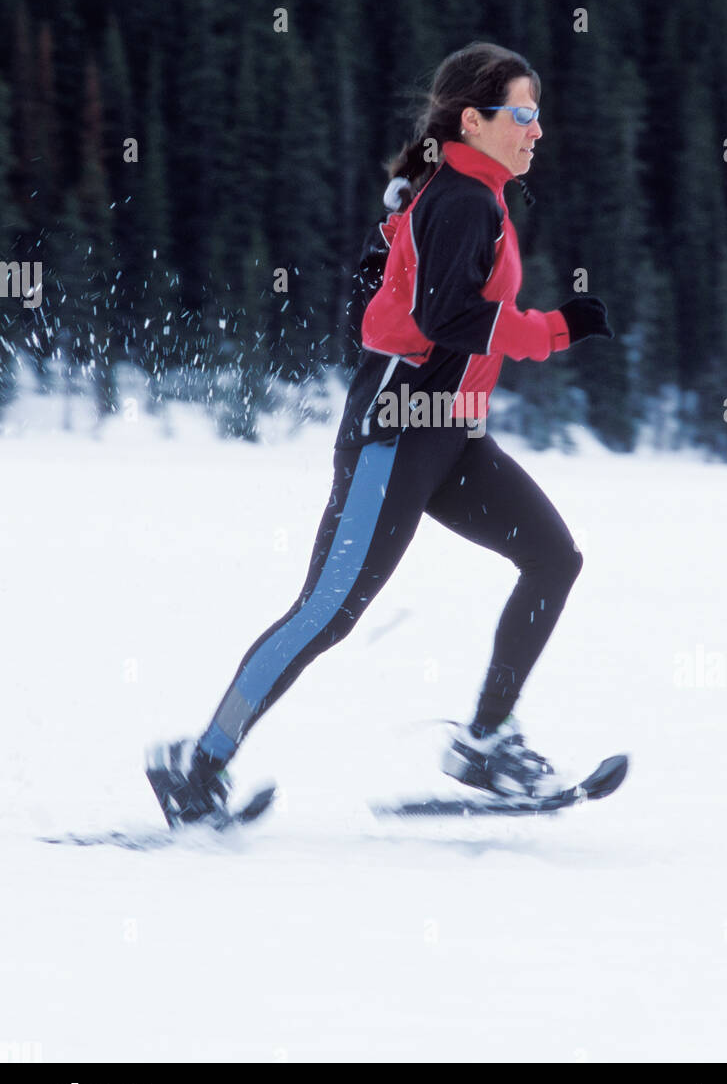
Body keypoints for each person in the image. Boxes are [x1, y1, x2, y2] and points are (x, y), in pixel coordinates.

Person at [146, 41, 614, 827]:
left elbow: (379, 288)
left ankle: (486, 743)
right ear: (474, 119)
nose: (537, 129)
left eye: (537, 113)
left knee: (551, 558)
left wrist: (395, 231)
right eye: (523, 113)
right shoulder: (461, 197)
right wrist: (555, 331)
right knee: (327, 609)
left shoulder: (456, 191)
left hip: (453, 437)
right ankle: (201, 766)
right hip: (394, 436)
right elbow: (447, 317)